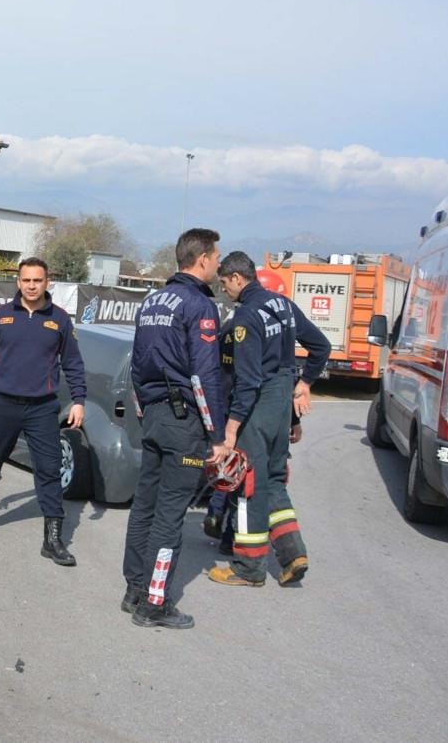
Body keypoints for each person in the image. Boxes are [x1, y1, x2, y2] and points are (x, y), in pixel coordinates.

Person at [122, 228, 228, 630]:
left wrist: (145, 413)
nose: (218, 264)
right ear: (202, 259)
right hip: (183, 422)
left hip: (153, 416)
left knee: (144, 506)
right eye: (216, 257)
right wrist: (216, 435)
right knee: (169, 514)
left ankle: (134, 589)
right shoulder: (199, 304)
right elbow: (205, 375)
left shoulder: (152, 300)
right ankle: (154, 603)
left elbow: (136, 365)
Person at [0, 257, 87, 566]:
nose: (31, 286)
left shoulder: (60, 319)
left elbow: (73, 364)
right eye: (26, 280)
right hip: (3, 404)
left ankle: (52, 539)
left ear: (47, 283)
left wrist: (79, 399)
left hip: (42, 408)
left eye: (37, 280)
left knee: (49, 470)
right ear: (18, 282)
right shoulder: (2, 316)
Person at [208, 251, 329, 587]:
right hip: (281, 400)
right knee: (274, 478)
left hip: (258, 404)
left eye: (224, 284)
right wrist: (304, 385)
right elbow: (321, 346)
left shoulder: (246, 317)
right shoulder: (282, 305)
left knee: (248, 483)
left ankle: (248, 568)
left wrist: (231, 428)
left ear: (237, 278)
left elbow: (247, 382)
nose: (224, 291)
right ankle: (293, 553)